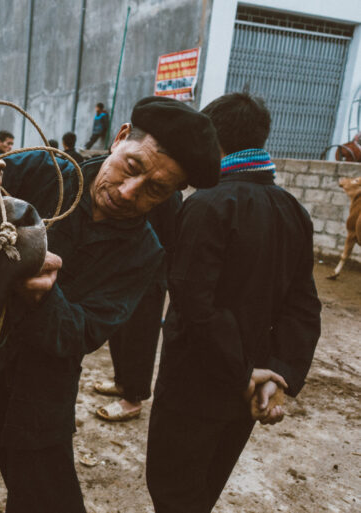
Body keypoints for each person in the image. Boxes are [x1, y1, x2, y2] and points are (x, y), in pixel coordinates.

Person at [0, 96, 222, 513]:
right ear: (121, 138)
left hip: (41, 399)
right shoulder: (41, 170)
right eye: (132, 168)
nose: (129, 193)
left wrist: (43, 296)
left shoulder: (145, 254)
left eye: (155, 191)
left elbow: (81, 333)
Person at [145, 92, 322, 513]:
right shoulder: (293, 210)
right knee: (201, 493)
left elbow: (194, 303)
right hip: (246, 396)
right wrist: (276, 374)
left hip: (196, 387)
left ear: (212, 139)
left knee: (171, 491)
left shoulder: (207, 204)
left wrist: (243, 373)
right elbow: (304, 306)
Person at [94, 192, 182, 421]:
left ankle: (133, 398)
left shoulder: (168, 193)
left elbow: (172, 239)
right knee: (118, 330)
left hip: (150, 272)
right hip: (124, 267)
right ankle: (122, 382)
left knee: (139, 335)